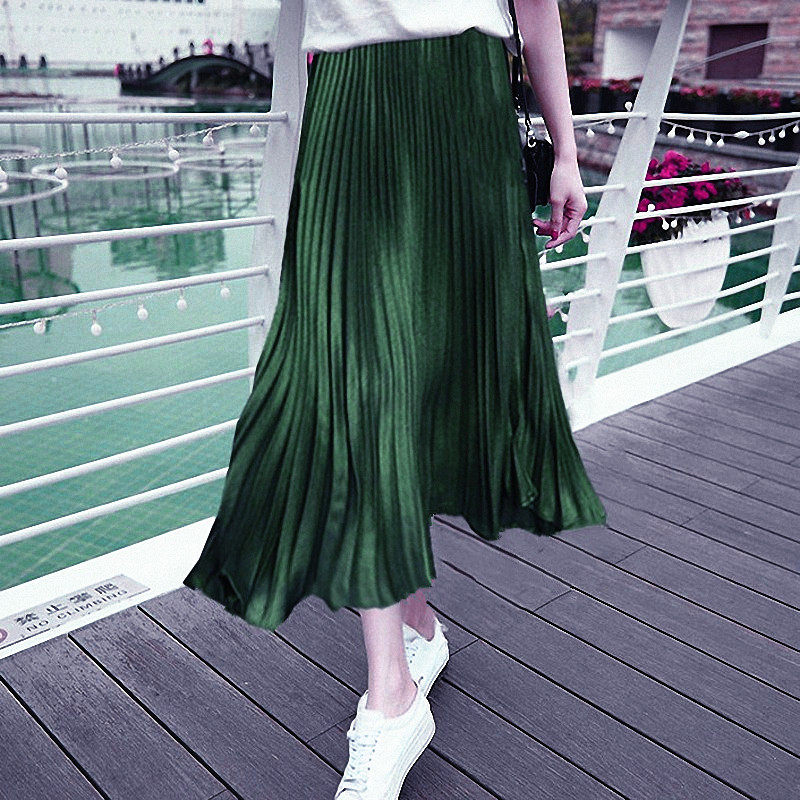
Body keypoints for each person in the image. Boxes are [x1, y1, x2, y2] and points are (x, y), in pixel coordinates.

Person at [183, 1, 606, 798]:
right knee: (355, 371)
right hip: (350, 92)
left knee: (424, 374)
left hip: (465, 93)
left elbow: (535, 6)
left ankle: (412, 635)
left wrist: (567, 152)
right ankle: (393, 693)